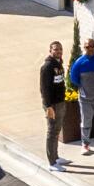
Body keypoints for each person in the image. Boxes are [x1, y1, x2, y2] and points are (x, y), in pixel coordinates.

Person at [38, 40, 69, 170]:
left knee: (57, 130)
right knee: (52, 132)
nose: (58, 51)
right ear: (50, 51)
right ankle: (52, 163)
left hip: (60, 102)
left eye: (60, 49)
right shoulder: (47, 67)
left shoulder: (58, 64)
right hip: (52, 105)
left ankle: (56, 157)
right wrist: (48, 106)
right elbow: (44, 88)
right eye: (55, 49)